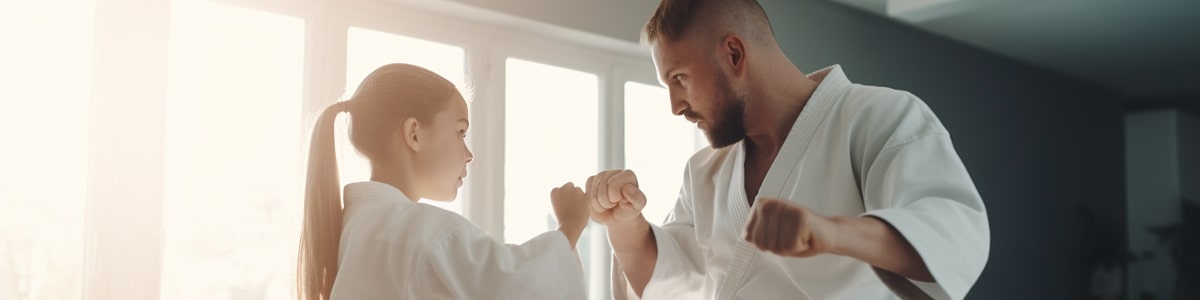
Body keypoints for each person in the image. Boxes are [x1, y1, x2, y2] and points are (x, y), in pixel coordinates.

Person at [584, 1, 990, 299]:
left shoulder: (881, 116)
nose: (675, 106)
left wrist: (831, 232)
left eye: (680, 78)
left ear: (734, 54)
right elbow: (672, 280)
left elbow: (950, 231)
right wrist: (624, 225)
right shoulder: (704, 171)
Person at [297, 63, 590, 299]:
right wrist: (570, 226)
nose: (469, 154)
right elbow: (518, 289)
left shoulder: (354, 228)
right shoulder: (428, 234)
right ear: (414, 134)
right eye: (460, 132)